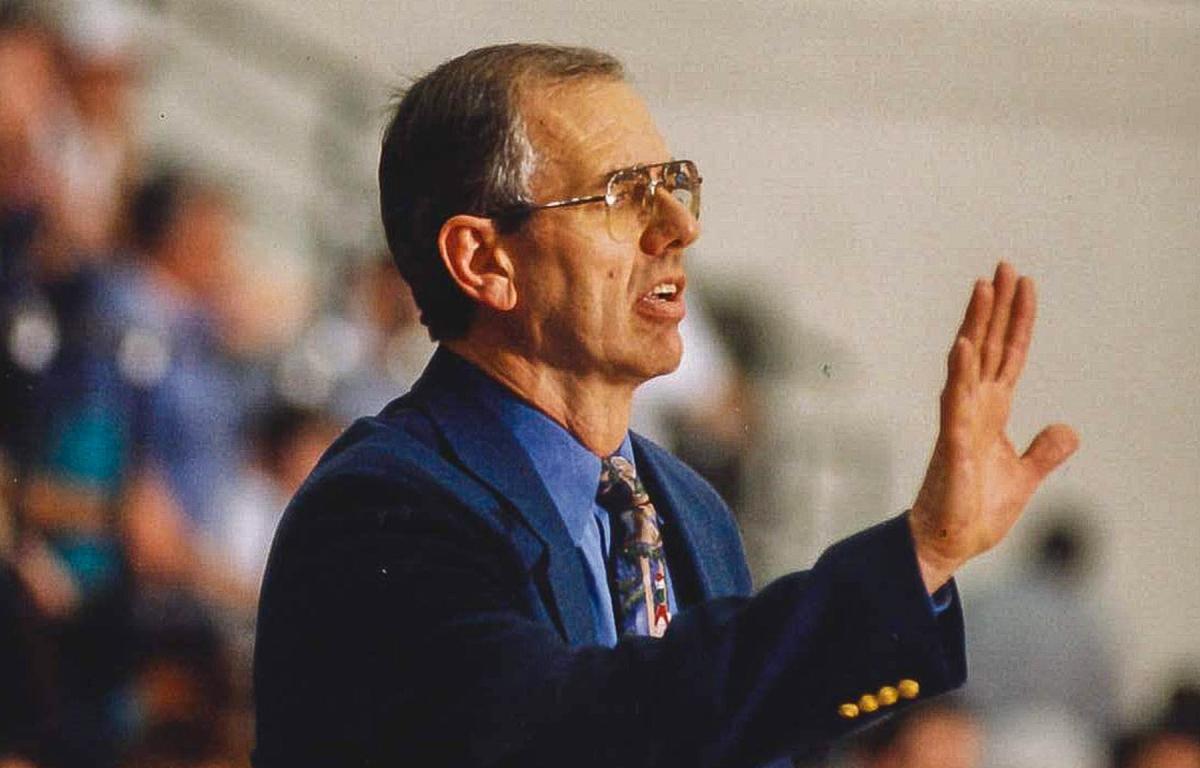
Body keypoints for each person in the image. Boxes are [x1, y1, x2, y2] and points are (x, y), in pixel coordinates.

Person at [252, 43, 1079, 767]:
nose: (678, 226)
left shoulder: (689, 510)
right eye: (622, 195)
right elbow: (589, 732)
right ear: (484, 261)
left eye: (675, 185)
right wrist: (917, 555)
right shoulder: (382, 511)